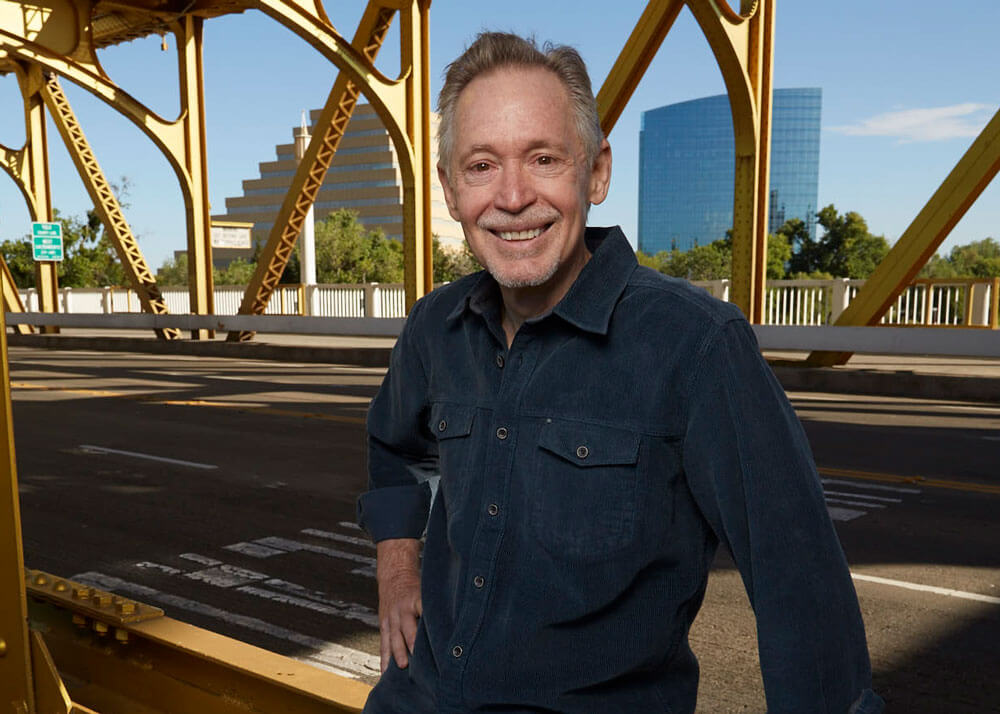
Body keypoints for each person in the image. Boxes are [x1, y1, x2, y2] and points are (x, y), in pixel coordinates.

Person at [357, 31, 884, 714]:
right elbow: (394, 448)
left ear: (596, 172)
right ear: (451, 189)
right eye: (481, 165)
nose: (512, 197)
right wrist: (397, 563)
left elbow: (800, 588)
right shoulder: (435, 326)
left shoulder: (697, 348)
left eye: (543, 158)